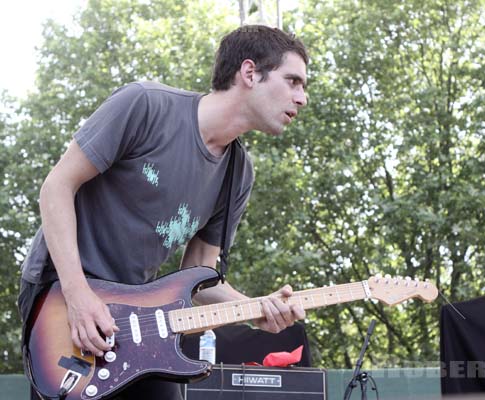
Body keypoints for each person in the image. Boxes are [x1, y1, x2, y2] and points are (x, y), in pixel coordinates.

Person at [18, 24, 309, 399]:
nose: (301, 98)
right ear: (250, 73)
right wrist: (78, 294)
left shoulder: (239, 173)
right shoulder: (145, 104)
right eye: (293, 81)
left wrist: (255, 309)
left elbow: (199, 276)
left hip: (141, 318)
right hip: (63, 290)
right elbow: (56, 187)